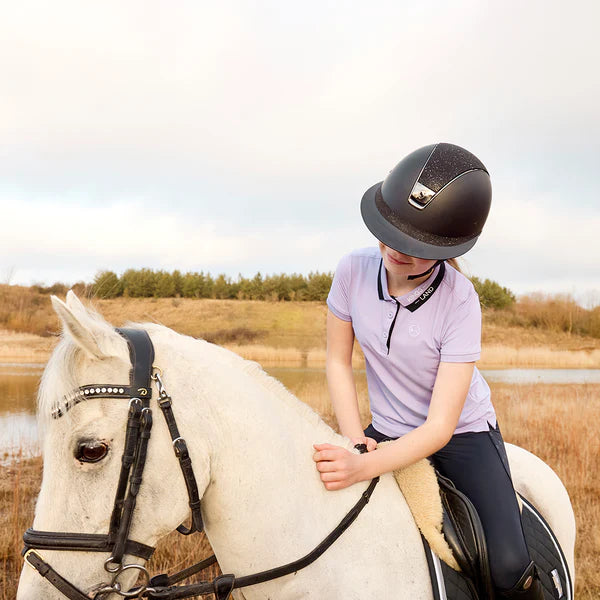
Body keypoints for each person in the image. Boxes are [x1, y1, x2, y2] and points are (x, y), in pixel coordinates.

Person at [312, 143, 543, 599]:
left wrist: (364, 467)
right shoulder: (352, 271)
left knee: (508, 568)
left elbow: (439, 428)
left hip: (461, 437)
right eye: (391, 233)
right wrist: (356, 440)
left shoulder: (461, 300)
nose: (397, 251)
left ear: (445, 247)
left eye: (414, 248)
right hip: (386, 430)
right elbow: (338, 362)